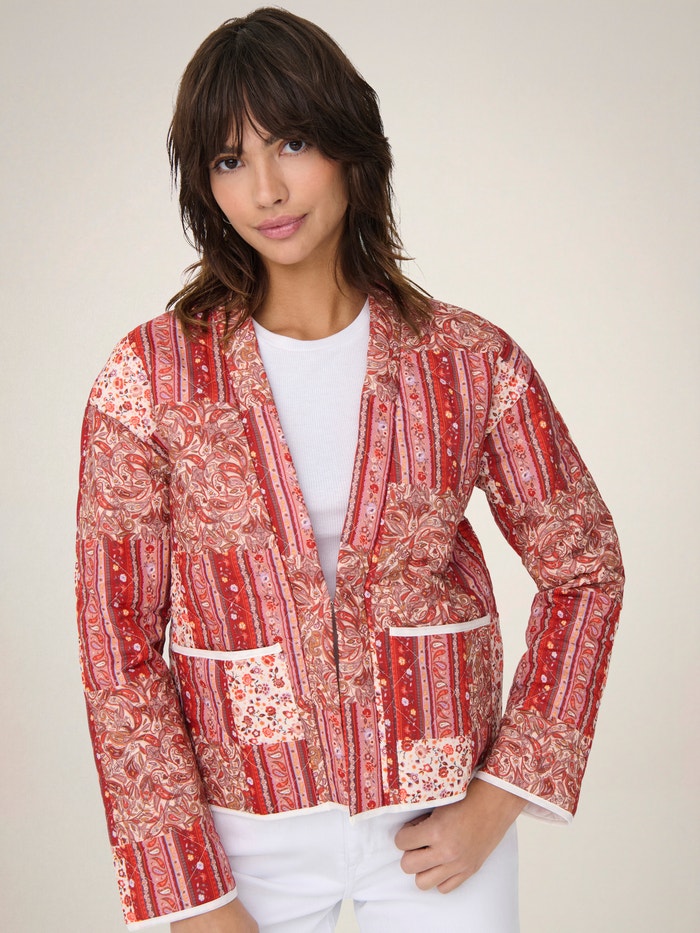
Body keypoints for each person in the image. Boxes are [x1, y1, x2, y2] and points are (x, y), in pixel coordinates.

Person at [75, 8, 624, 932]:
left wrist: (500, 797)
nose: (267, 189)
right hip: (241, 831)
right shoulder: (150, 379)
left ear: (349, 146)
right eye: (229, 159)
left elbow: (586, 567)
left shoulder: (467, 361)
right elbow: (116, 639)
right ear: (205, 186)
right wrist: (189, 889)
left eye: (291, 142)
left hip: (439, 823)